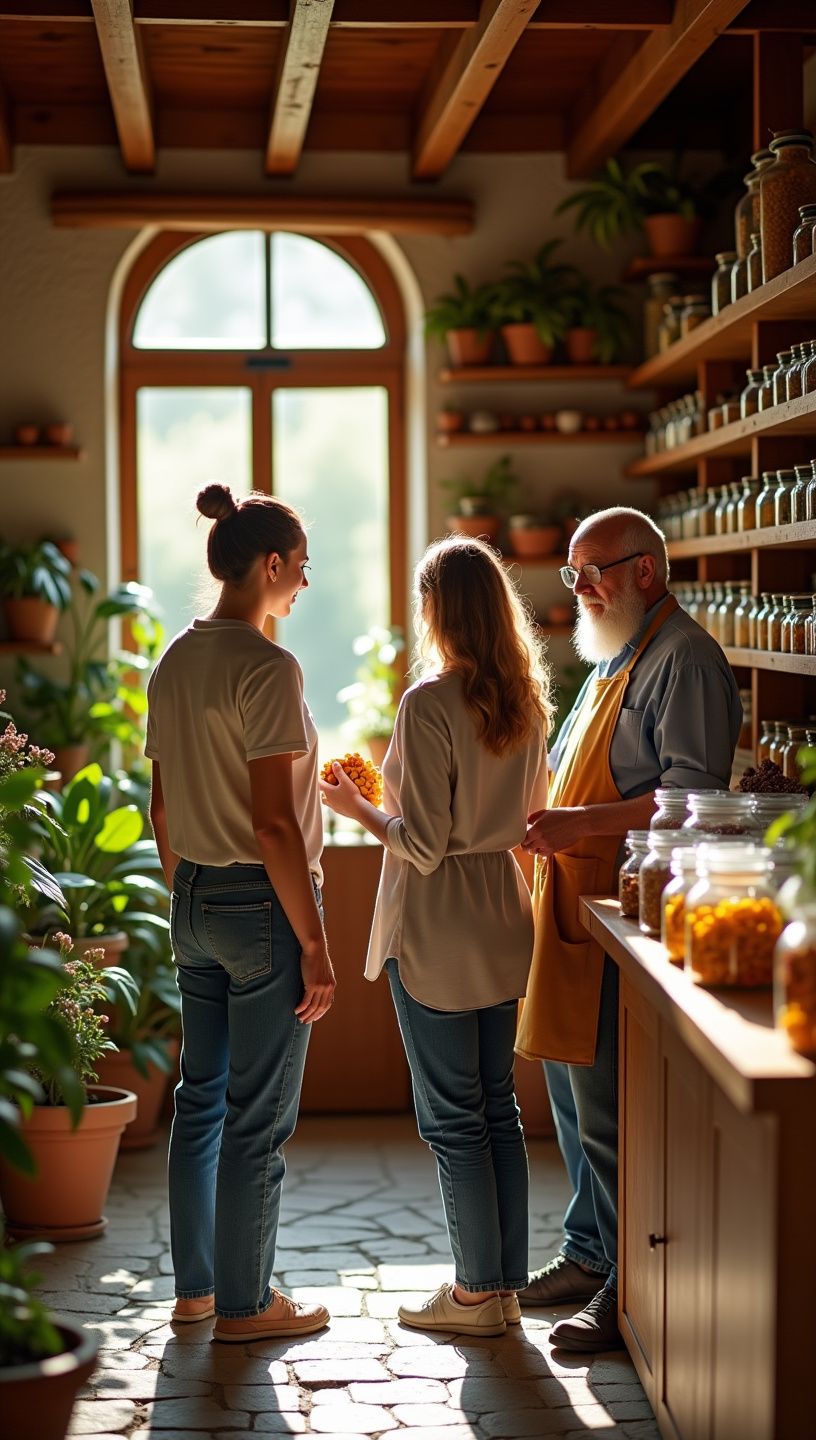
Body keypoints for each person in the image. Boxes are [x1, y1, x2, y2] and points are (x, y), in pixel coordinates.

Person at [516, 505, 741, 1351]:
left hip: (632, 912)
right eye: (572, 575)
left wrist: (576, 827)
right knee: (576, 1098)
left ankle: (624, 1286)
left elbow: (692, 797)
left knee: (612, 1110)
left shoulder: (685, 660)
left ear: (647, 570)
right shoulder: (617, 656)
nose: (579, 590)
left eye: (593, 573)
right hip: (581, 909)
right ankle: (587, 1250)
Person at [321, 535, 553, 1338]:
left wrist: (356, 809)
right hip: (501, 913)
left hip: (439, 926)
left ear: (437, 610)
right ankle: (503, 1287)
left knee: (453, 1119)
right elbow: (525, 824)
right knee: (497, 1111)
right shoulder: (528, 699)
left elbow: (420, 844)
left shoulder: (427, 703)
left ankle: (474, 1296)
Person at [146, 483, 336, 1343]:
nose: (303, 584)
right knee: (258, 1115)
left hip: (189, 900)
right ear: (268, 565)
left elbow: (161, 808)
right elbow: (273, 823)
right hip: (260, 906)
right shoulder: (268, 667)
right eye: (299, 568)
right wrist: (315, 942)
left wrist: (193, 892)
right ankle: (247, 1307)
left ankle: (196, 1290)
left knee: (201, 1100)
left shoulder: (173, 660)